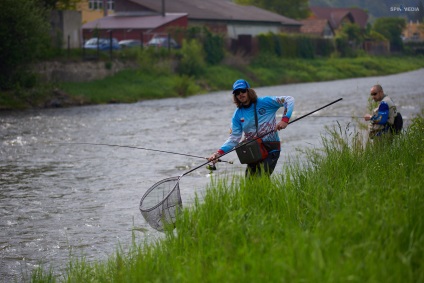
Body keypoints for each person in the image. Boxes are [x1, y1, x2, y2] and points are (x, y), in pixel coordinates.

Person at [208, 79, 294, 176]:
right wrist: (217, 154)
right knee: (250, 183)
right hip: (253, 151)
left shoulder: (265, 102)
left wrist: (285, 119)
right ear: (235, 96)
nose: (240, 94)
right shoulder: (237, 114)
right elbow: (234, 138)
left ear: (249, 91)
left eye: (243, 91)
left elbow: (289, 100)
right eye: (237, 93)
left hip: (271, 148)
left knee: (261, 178)